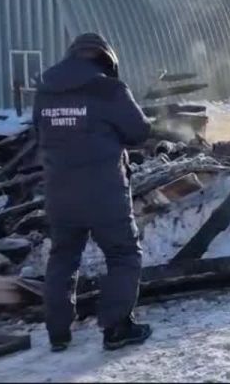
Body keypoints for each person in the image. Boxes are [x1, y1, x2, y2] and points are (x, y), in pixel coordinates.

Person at [33, 33, 153, 352]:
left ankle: (58, 332)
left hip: (59, 193)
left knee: (63, 258)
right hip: (104, 193)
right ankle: (116, 329)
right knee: (123, 254)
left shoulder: (45, 90)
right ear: (106, 60)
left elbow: (38, 133)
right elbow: (139, 131)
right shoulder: (109, 89)